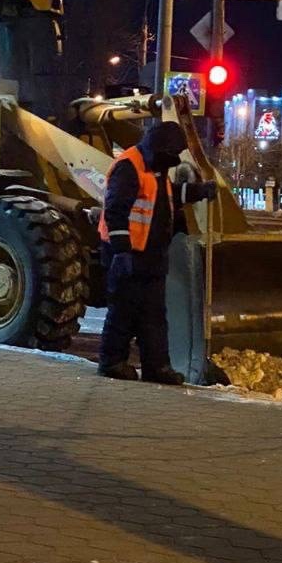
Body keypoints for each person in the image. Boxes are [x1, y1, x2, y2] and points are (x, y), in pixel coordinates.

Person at [98, 121, 217, 384]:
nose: (173, 162)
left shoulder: (156, 169)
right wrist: (121, 252)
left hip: (151, 257)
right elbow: (116, 211)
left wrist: (199, 192)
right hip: (128, 256)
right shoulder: (129, 167)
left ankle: (157, 367)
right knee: (123, 312)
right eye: (171, 156)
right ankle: (112, 363)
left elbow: (169, 196)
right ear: (159, 148)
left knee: (153, 316)